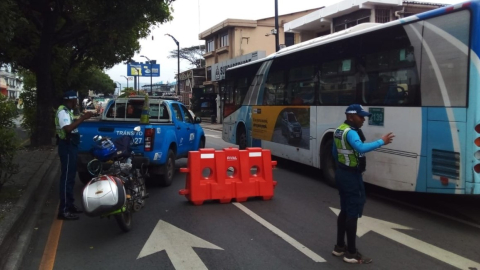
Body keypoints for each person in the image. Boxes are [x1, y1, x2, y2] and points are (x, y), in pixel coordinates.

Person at [331, 104, 394, 264]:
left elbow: (334, 152)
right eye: (361, 117)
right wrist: (382, 141)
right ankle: (351, 254)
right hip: (351, 176)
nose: (363, 120)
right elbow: (360, 147)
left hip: (341, 173)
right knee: (352, 211)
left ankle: (339, 247)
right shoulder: (351, 132)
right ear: (351, 117)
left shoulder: (339, 130)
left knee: (344, 209)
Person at [55, 90, 93, 220]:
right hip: (67, 146)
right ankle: (64, 210)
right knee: (66, 178)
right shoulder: (63, 112)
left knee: (71, 177)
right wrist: (83, 118)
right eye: (76, 99)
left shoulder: (68, 111)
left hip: (71, 146)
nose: (77, 101)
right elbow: (68, 128)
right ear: (72, 100)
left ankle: (70, 205)